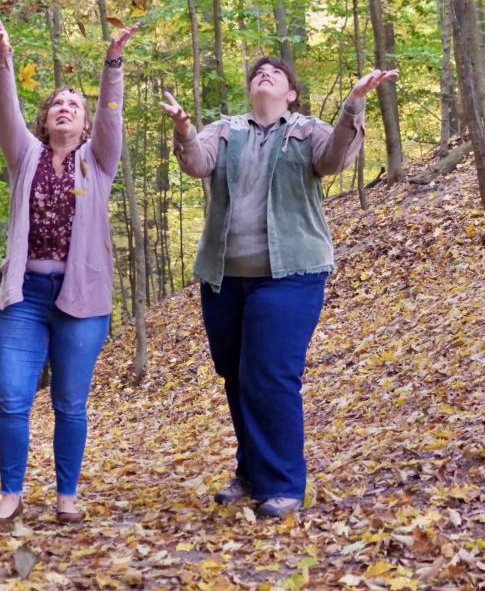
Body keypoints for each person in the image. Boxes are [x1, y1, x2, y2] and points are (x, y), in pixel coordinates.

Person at [159, 58, 396, 518]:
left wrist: (354, 104)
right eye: (257, 74)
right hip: (224, 276)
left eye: (277, 74)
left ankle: (283, 483)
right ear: (250, 91)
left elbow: (333, 161)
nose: (264, 76)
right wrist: (185, 129)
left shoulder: (307, 130)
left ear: (291, 93)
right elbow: (197, 163)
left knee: (269, 374)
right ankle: (250, 472)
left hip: (291, 273)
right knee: (236, 375)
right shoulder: (225, 129)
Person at [0, 16, 139, 525]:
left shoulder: (98, 161)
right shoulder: (25, 156)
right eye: (57, 103)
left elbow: (113, 115)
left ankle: (66, 495)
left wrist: (112, 63)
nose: (64, 109)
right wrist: (3, 56)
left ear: (87, 122)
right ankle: (11, 492)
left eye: (74, 105)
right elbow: (5, 111)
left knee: (70, 404)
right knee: (12, 399)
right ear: (45, 118)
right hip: (25, 295)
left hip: (81, 300)